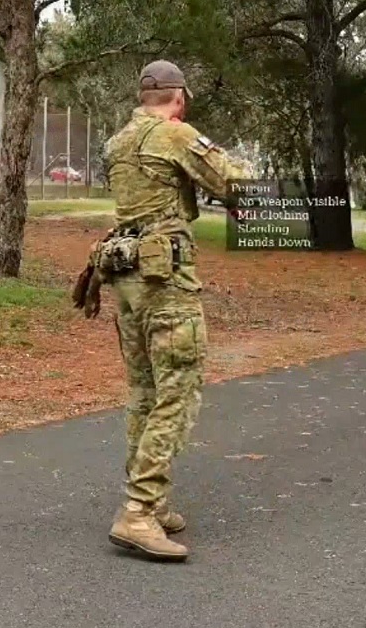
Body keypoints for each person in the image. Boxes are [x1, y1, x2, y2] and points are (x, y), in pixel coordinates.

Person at [95, 59, 251, 562]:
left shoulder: (117, 142)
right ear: (179, 98)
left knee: (144, 392)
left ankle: (151, 502)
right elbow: (236, 184)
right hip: (165, 283)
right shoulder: (174, 135)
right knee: (177, 391)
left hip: (126, 279)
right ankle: (138, 511)